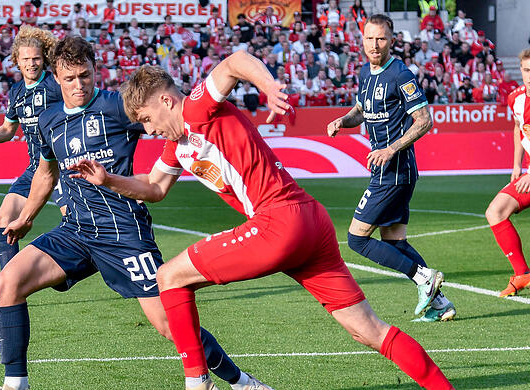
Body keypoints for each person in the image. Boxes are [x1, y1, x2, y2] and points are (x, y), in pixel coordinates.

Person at [68, 48, 454, 390]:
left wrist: (269, 87)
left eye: (147, 118)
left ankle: (197, 382)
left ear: (167, 101)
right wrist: (108, 180)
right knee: (368, 330)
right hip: (311, 223)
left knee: (168, 277)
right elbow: (153, 187)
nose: (148, 130)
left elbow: (235, 61)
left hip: (279, 223)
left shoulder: (198, 106)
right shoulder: (177, 145)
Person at [0, 36, 272, 390]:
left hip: (124, 234)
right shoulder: (48, 120)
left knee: (171, 326)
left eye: (85, 75)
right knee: (7, 283)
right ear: (56, 77)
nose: (79, 85)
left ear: (95, 70)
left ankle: (242, 382)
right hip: (76, 231)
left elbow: (169, 120)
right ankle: (15, 384)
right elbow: (46, 174)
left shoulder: (117, 107)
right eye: (70, 78)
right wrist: (28, 216)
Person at [326, 15, 455, 322]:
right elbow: (362, 109)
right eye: (370, 38)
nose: (375, 45)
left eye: (381, 38)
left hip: (395, 171)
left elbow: (424, 120)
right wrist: (343, 121)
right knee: (395, 242)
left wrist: (391, 148)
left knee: (357, 239)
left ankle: (424, 278)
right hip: (386, 171)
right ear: (362, 41)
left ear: (391, 41)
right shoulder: (363, 73)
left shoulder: (400, 74)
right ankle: (440, 304)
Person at [0, 25, 65, 310]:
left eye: (36, 58)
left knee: (77, 225)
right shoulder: (16, 91)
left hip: (64, 169)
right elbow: (8, 130)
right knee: (3, 217)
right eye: (25, 59)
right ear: (17, 61)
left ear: (43, 58)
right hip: (35, 168)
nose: (31, 63)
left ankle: (65, 271)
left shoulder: (56, 85)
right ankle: (8, 289)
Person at [484, 48, 530, 297]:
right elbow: (518, 127)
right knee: (496, 211)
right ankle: (522, 272)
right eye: (526, 70)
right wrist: (516, 165)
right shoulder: (517, 98)